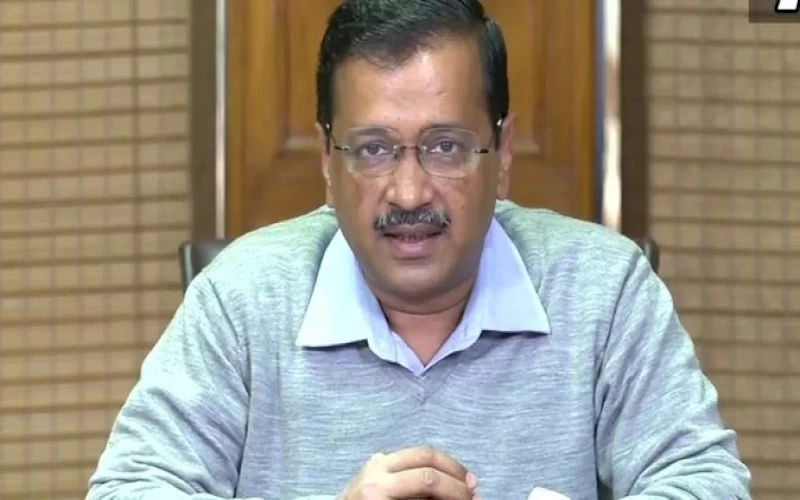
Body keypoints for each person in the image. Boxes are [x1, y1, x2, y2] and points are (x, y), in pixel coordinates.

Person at [86, 0, 752, 499]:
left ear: (503, 152)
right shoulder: (240, 298)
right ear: (327, 160)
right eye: (374, 149)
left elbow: (706, 481)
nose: (408, 192)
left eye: (445, 147)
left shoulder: (604, 289)